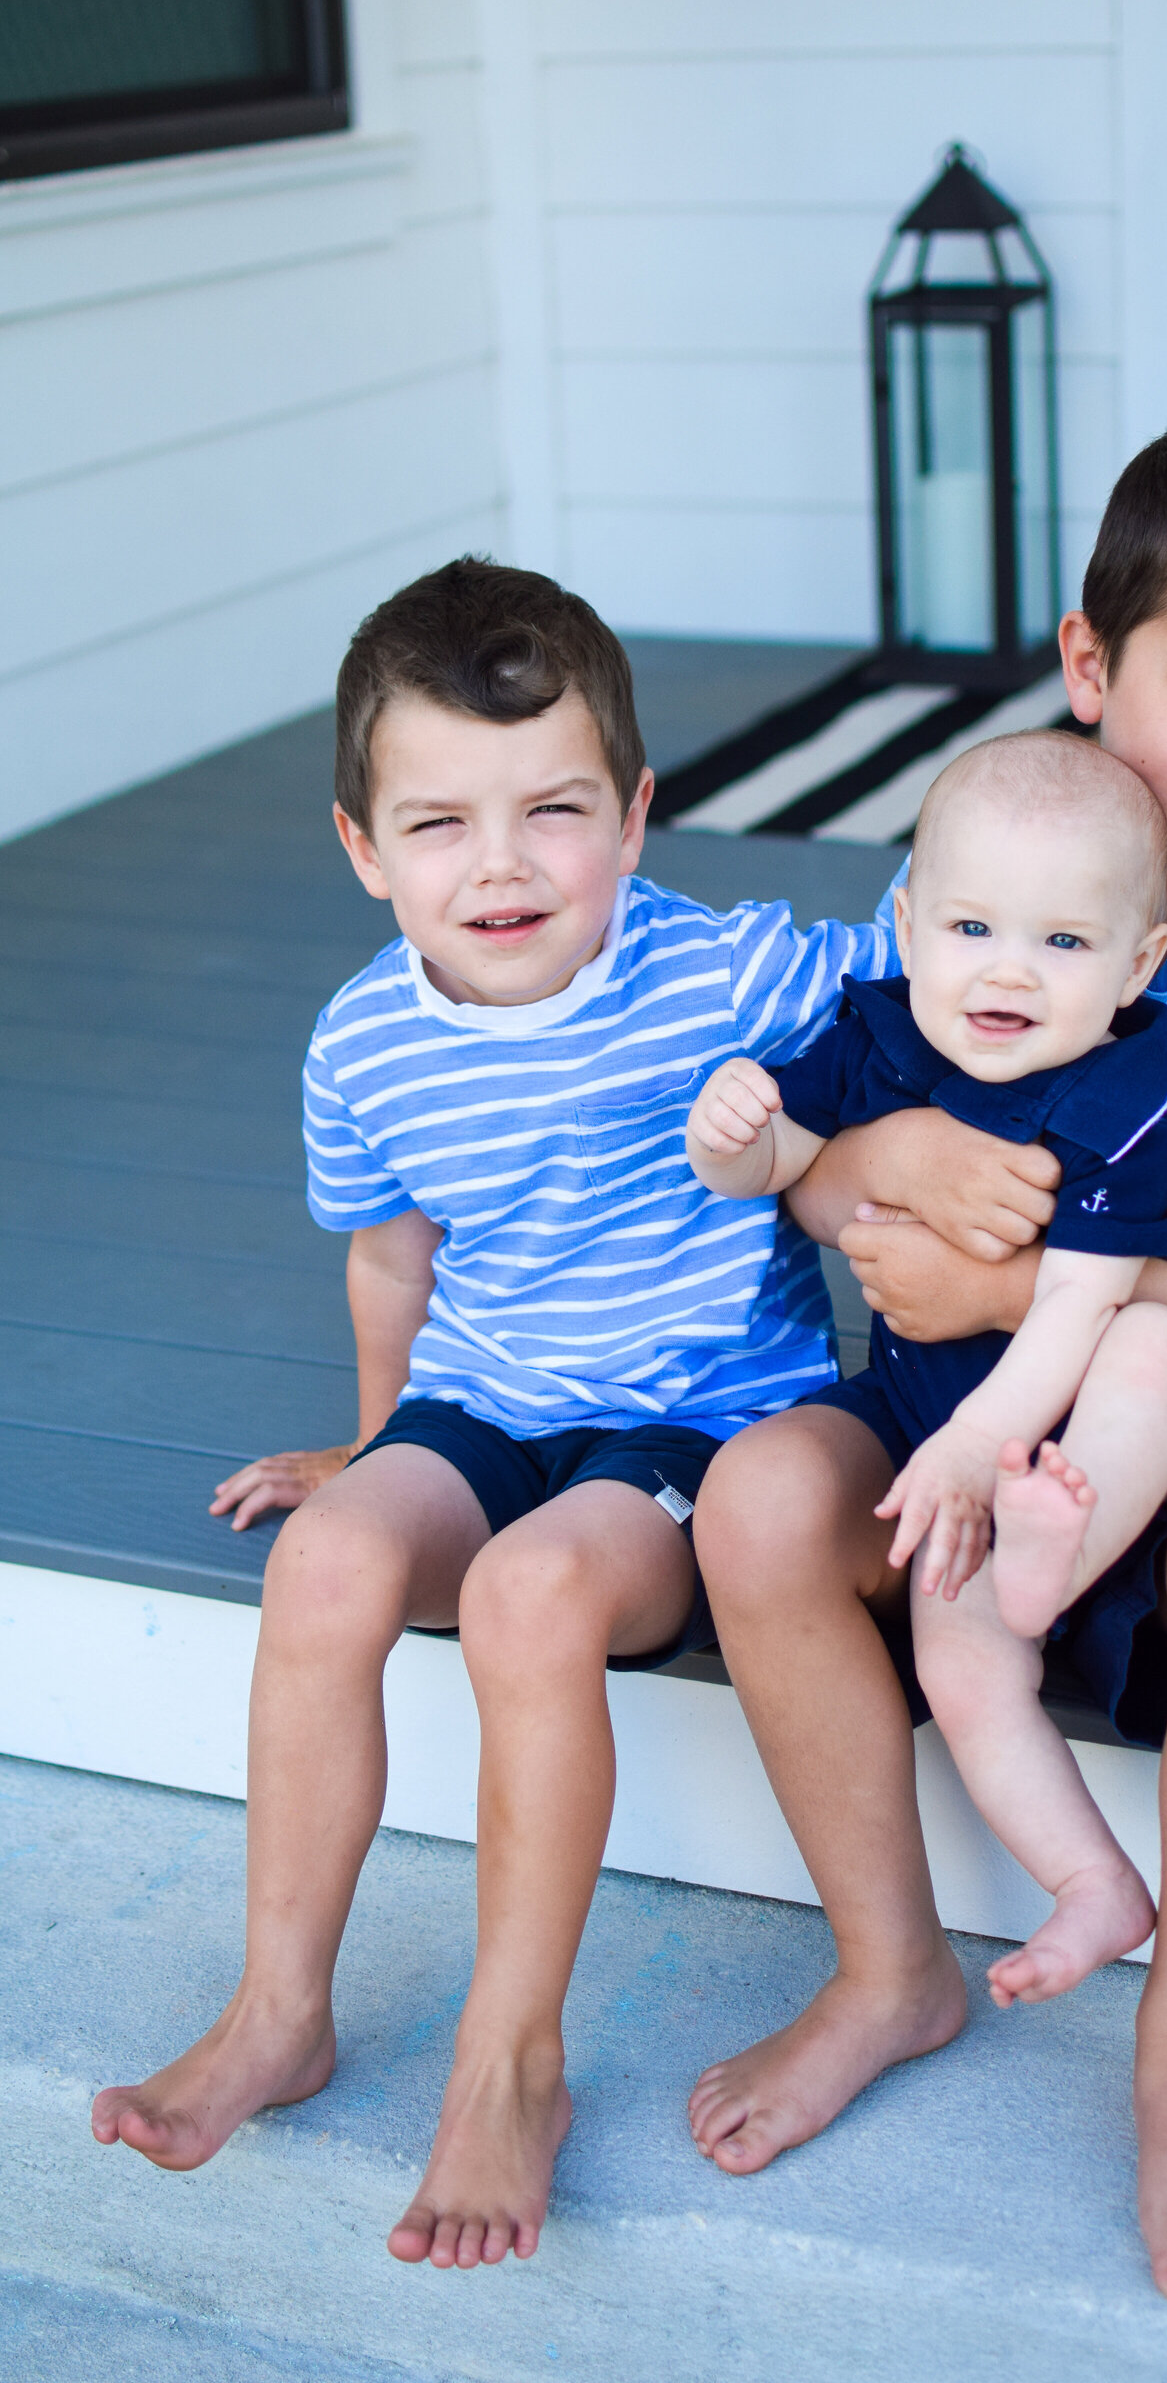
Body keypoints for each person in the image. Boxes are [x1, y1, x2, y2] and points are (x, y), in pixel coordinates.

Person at [685, 398, 1167, 2307]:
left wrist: (1026, 1298)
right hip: (940, 1397)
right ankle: (889, 1966)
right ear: (1093, 667)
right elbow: (827, 1166)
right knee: (766, 1501)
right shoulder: (972, 855)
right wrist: (866, 1162)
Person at [89, 555, 909, 2270]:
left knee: (534, 1596)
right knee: (326, 1560)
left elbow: (957, 950)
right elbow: (395, 1262)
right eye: (441, 822)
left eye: (555, 809)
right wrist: (379, 1446)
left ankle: (509, 2058)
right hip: (489, 1403)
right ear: (362, 847)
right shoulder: (364, 1044)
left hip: (693, 1429)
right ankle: (278, 2013)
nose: (504, 865)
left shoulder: (732, 972)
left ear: (635, 814)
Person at [689, 731, 1167, 2009]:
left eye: (1063, 944)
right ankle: (1091, 1885)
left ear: (1137, 962)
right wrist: (728, 1132)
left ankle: (1060, 1541)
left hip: (1134, 1417)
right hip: (973, 1447)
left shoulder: (1130, 1084)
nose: (1008, 970)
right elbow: (775, 1170)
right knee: (958, 1659)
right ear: (904, 921)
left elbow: (1073, 1306)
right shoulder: (878, 1037)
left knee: (1148, 1344)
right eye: (969, 927)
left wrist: (966, 1453)